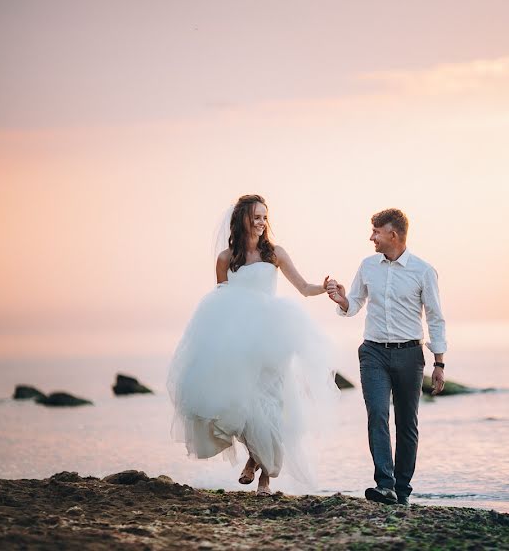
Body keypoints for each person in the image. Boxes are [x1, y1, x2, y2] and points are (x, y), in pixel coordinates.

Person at [167, 194, 338, 495]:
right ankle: (254, 457)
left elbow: (303, 287)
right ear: (242, 219)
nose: (261, 223)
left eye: (264, 217)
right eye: (256, 217)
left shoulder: (275, 254)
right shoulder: (225, 259)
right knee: (243, 404)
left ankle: (264, 476)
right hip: (238, 342)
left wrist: (323, 288)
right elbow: (221, 302)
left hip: (271, 337)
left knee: (272, 403)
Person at [327, 208, 447, 506]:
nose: (372, 238)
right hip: (373, 353)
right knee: (377, 414)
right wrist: (343, 300)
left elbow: (435, 318)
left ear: (393, 234)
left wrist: (439, 363)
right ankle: (385, 485)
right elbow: (354, 304)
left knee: (407, 423)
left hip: (410, 354)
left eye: (376, 232)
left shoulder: (423, 270)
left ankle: (402, 490)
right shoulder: (368, 266)